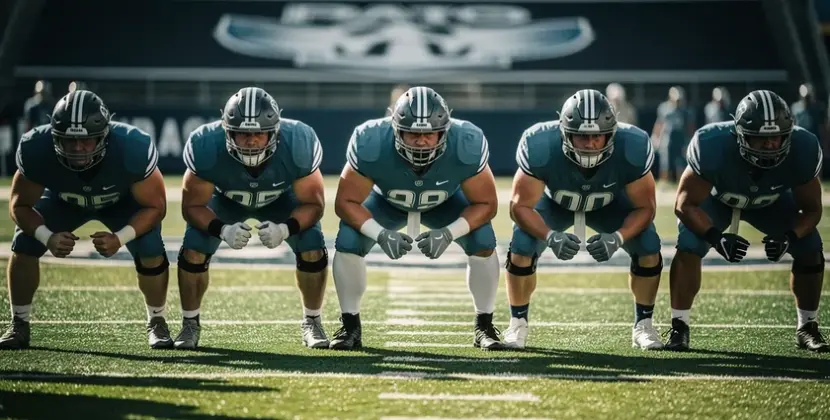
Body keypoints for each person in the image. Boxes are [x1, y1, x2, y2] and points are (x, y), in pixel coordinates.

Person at [331, 86, 503, 350]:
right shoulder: (370, 140)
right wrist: (379, 233)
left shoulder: (466, 141)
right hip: (387, 202)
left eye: (429, 133)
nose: (421, 141)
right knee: (348, 238)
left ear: (444, 131)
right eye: (412, 133)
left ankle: (485, 326)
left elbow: (487, 204)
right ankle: (350, 327)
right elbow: (345, 202)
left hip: (444, 203)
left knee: (483, 238)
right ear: (396, 129)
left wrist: (450, 232)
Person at [1, 90, 170, 349]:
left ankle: (157, 321)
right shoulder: (37, 146)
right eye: (69, 140)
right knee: (24, 241)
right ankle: (19, 324)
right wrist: (47, 236)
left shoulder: (131, 146)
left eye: (87, 140)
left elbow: (156, 207)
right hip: (64, 200)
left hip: (120, 202)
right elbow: (19, 204)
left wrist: (120, 238)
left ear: (104, 135)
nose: (78, 148)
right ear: (56, 136)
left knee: (150, 247)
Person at [666, 90, 827, 352]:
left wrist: (789, 237)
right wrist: (716, 238)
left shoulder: (803, 147)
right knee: (689, 242)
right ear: (740, 134)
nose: (772, 145)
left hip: (770, 202)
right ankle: (679, 326)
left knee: (810, 246)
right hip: (718, 200)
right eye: (761, 139)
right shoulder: (711, 144)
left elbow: (811, 210)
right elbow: (684, 204)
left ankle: (807, 327)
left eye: (777, 137)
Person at [505, 89, 662, 350]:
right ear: (565, 132)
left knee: (648, 243)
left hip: (608, 204)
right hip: (556, 203)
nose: (590, 144)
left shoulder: (631, 145)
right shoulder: (540, 144)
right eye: (581, 136)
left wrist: (618, 237)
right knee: (522, 243)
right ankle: (517, 323)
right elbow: (519, 206)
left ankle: (643, 325)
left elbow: (646, 207)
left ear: (611, 133)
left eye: (597, 136)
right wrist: (550, 236)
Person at [178, 87, 329, 349]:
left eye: (258, 133)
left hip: (281, 200)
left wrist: (285, 228)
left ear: (274, 132)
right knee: (193, 248)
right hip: (225, 201)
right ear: (227, 131)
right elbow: (192, 206)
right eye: (242, 133)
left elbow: (313, 204)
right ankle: (190, 323)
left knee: (312, 245)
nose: (250, 141)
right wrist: (221, 229)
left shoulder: (298, 143)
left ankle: (312, 321)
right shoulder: (206, 145)